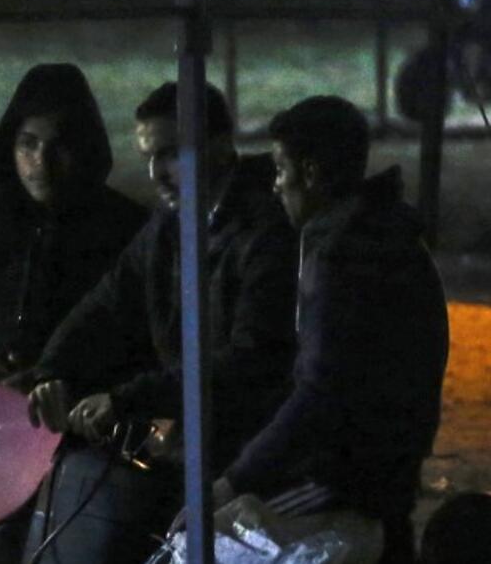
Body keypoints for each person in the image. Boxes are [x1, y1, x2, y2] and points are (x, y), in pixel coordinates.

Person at [26, 82, 299, 564]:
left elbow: (250, 360)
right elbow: (106, 304)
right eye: (150, 156)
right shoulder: (169, 226)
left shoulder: (265, 232)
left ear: (219, 146)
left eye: (172, 154)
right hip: (195, 435)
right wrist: (52, 372)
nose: (157, 173)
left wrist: (129, 399)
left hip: (253, 448)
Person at [0, 64, 147, 563]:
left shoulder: (126, 230)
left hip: (90, 439)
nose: (41, 161)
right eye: (28, 143)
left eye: (58, 144)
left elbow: (147, 337)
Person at [213, 96, 449, 563]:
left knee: (206, 533)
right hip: (383, 469)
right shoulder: (376, 233)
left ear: (312, 173)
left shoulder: (347, 256)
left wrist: (235, 479)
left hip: (347, 479)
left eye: (281, 170)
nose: (276, 186)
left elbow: (321, 392)